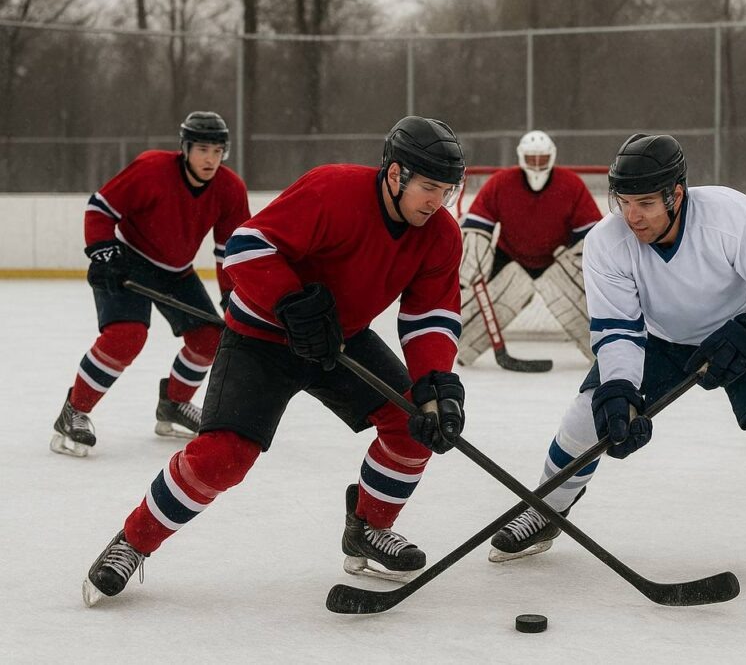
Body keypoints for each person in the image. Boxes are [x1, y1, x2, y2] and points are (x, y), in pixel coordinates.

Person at [81, 116, 468, 605]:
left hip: (339, 341)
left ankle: (368, 530)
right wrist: (289, 300)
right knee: (224, 457)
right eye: (429, 188)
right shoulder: (333, 190)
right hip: (261, 334)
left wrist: (436, 381)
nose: (438, 203)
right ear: (395, 175)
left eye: (448, 192)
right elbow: (246, 246)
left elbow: (430, 316)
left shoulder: (440, 235)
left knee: (413, 421)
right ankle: (133, 542)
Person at [488, 133, 746, 586]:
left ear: (675, 194)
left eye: (644, 202)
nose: (631, 215)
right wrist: (619, 388)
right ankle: (546, 509)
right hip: (659, 340)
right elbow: (619, 328)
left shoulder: (728, 215)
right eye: (623, 201)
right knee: (587, 417)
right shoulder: (607, 242)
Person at [51, 112, 250, 458]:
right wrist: (103, 252)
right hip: (127, 258)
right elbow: (100, 208)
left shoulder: (230, 189)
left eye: (218, 151)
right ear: (185, 148)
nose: (210, 159)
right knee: (126, 335)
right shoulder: (151, 169)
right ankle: (75, 411)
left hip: (176, 270)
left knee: (209, 338)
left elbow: (229, 250)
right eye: (202, 149)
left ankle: (174, 403)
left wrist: (233, 296)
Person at [458, 130, 603, 364]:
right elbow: (476, 225)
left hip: (555, 258)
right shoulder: (501, 182)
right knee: (473, 295)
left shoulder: (571, 184)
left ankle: (604, 349)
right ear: (521, 157)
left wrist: (581, 269)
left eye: (542, 159)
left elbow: (592, 237)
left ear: (552, 156)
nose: (537, 165)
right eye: (531, 159)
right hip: (509, 256)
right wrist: (471, 267)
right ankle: (460, 346)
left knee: (587, 297)